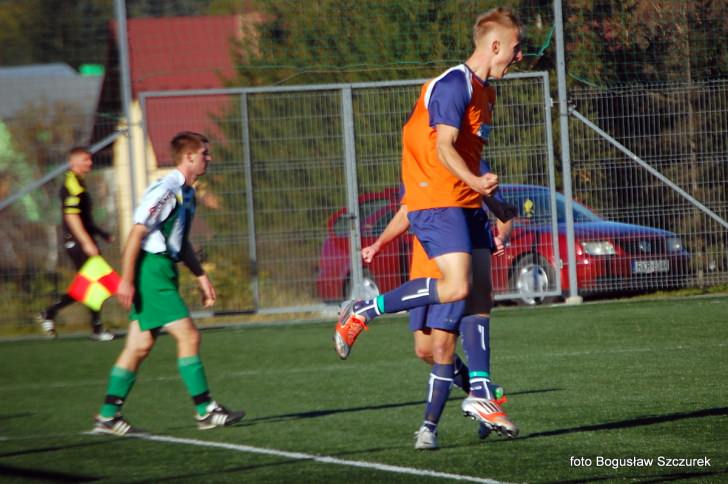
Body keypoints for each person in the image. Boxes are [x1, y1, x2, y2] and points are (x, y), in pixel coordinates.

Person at [334, 7, 523, 358]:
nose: (520, 56)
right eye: (516, 47)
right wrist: (478, 184)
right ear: (496, 46)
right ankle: (366, 309)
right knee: (452, 297)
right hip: (438, 198)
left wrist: (493, 203)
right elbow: (443, 148)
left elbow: (465, 157)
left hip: (464, 203)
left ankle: (481, 390)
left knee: (480, 295)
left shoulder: (487, 94)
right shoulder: (455, 84)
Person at [91, 132, 244, 436]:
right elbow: (136, 234)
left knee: (140, 345)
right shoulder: (166, 190)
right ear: (188, 157)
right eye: (204, 153)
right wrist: (126, 280)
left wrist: (201, 275)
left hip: (162, 270)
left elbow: (180, 241)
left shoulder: (188, 193)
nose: (208, 158)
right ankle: (205, 409)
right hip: (151, 271)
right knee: (189, 335)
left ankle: (108, 415)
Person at [361, 166, 517, 450]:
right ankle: (481, 392)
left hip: (456, 267)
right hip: (423, 268)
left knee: (443, 348)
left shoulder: (468, 161)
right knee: (425, 351)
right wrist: (379, 244)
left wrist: (500, 238)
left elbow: (503, 211)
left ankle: (428, 429)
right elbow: (408, 210)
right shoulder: (419, 164)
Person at [38, 146, 115, 341]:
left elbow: (84, 218)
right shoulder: (71, 184)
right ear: (73, 162)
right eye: (85, 160)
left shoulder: (79, 182)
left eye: (90, 159)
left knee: (88, 284)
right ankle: (96, 329)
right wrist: (87, 242)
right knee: (97, 282)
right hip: (77, 243)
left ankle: (50, 312)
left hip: (81, 241)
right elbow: (71, 217)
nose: (89, 163)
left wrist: (101, 233)